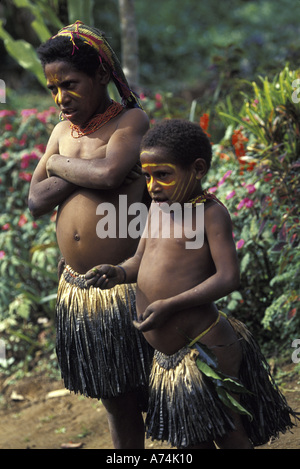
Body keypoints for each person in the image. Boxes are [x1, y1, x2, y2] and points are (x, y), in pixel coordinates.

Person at [85, 118, 299, 449]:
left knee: (230, 432)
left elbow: (229, 277)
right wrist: (117, 272)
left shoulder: (210, 214)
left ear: (197, 169)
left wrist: (171, 304)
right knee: (189, 438)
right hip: (170, 359)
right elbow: (140, 261)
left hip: (206, 344)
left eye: (164, 175)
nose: (153, 186)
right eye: (147, 176)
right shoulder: (156, 209)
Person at [28, 21, 153, 449]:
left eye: (70, 84)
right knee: (115, 399)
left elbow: (111, 172)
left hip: (129, 282)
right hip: (85, 291)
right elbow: (36, 199)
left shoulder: (130, 121)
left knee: (158, 389)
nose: (62, 98)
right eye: (53, 89)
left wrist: (62, 166)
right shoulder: (61, 132)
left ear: (101, 74)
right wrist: (81, 169)